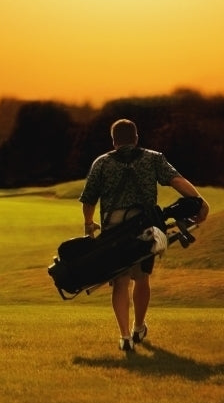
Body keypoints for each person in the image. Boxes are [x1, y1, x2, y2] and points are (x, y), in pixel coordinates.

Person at [79, 118, 209, 352]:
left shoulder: (101, 163)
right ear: (136, 138)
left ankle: (125, 336)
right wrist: (200, 202)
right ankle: (139, 327)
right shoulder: (153, 158)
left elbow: (88, 200)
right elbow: (177, 181)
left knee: (120, 282)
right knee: (141, 279)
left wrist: (89, 223)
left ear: (113, 141)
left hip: (113, 230)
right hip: (145, 227)